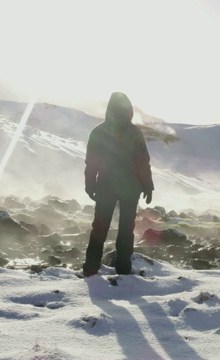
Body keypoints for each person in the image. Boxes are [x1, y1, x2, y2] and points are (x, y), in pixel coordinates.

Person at [83, 92, 154, 277]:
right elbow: (142, 162)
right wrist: (148, 186)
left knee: (99, 227)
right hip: (131, 189)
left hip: (106, 186)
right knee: (126, 229)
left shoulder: (99, 131)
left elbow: (92, 163)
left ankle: (91, 269)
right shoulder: (134, 132)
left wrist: (90, 184)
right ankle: (123, 269)